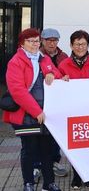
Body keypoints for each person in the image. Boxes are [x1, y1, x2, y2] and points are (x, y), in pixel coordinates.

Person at [4, 28, 63, 191]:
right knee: (29, 150)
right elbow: (18, 91)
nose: (35, 44)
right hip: (27, 115)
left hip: (45, 114)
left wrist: (52, 74)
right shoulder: (15, 62)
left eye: (37, 41)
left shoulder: (43, 59)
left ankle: (49, 183)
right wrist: (36, 111)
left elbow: (57, 74)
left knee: (47, 150)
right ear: (22, 43)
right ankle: (28, 183)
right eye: (31, 41)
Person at [58, 30, 89, 189]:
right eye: (77, 44)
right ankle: (77, 176)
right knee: (75, 145)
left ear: (88, 45)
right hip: (73, 112)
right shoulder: (64, 64)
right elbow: (56, 86)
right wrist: (61, 81)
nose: (80, 47)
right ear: (71, 45)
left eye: (83, 44)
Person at [39, 28, 68, 178]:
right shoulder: (36, 55)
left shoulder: (63, 56)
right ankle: (36, 165)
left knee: (56, 133)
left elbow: (66, 74)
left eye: (55, 40)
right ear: (42, 41)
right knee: (38, 134)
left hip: (57, 102)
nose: (52, 43)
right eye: (49, 40)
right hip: (39, 101)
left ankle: (54, 161)